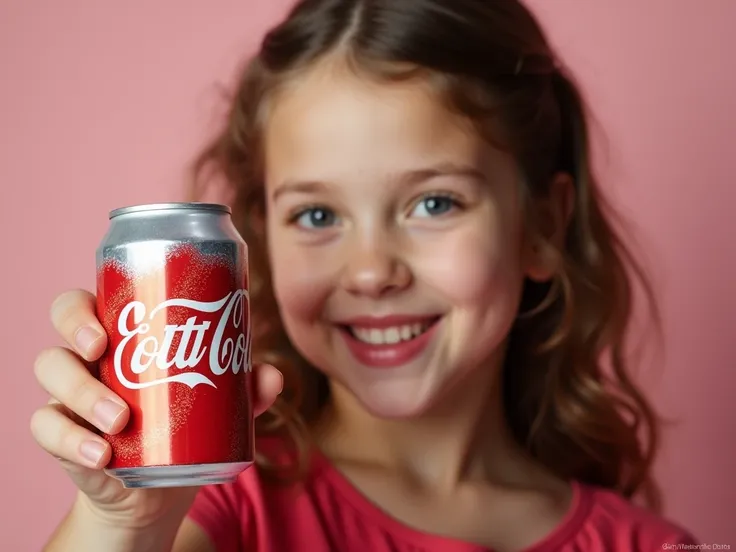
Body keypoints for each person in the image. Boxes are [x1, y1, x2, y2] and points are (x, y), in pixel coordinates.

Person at [31, 0, 699, 550]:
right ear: (263, 241)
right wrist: (122, 524)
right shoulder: (218, 508)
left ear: (544, 229)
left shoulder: (650, 543)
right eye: (317, 214)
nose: (373, 272)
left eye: (434, 203)